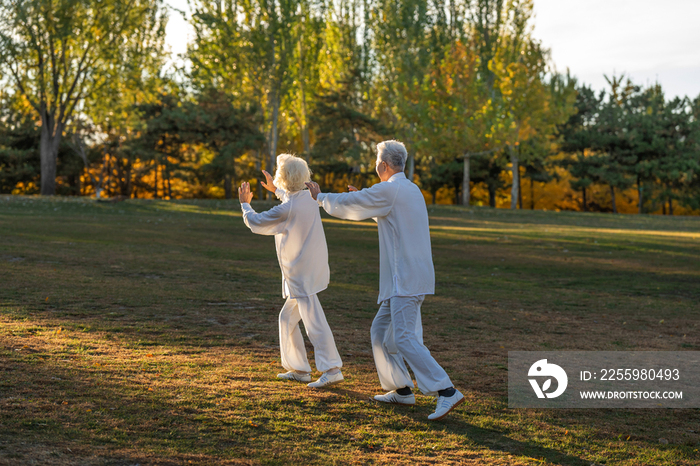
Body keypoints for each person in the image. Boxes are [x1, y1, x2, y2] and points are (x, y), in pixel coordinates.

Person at [305, 140, 463, 420]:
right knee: (379, 332)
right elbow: (390, 218)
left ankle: (447, 391)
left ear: (383, 165)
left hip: (405, 279)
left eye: (377, 161)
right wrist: (364, 200)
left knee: (403, 337)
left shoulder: (389, 189)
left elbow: (353, 202)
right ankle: (401, 390)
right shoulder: (410, 189)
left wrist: (320, 197)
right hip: (409, 277)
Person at [238, 154, 343, 388]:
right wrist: (276, 189)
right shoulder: (307, 198)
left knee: (314, 321)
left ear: (285, 178)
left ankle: (332, 369)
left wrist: (245, 203)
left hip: (301, 273)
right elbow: (290, 195)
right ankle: (300, 369)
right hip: (308, 270)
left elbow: (256, 222)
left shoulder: (288, 208)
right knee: (287, 318)